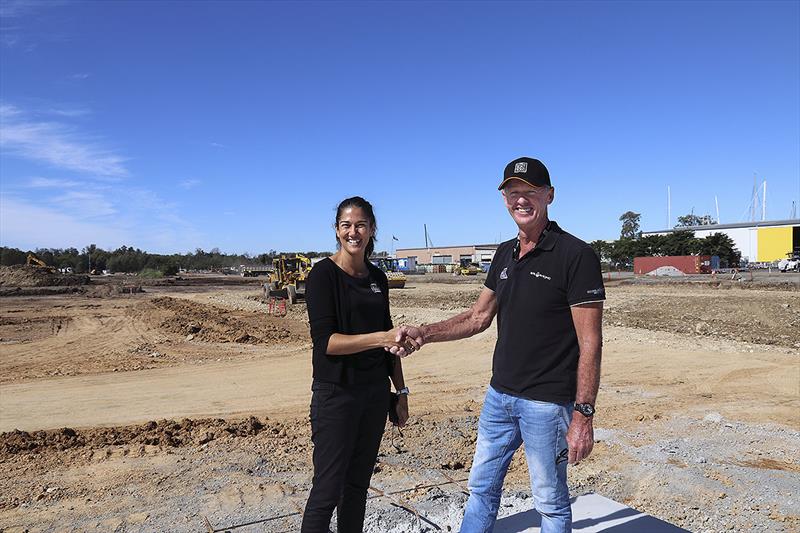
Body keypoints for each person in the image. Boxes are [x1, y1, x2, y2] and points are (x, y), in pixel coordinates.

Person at [394, 157, 605, 533]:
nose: (520, 200)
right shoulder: (505, 253)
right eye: (512, 193)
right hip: (499, 397)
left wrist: (583, 416)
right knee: (481, 489)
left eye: (529, 192)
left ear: (549, 196)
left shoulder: (576, 255)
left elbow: (590, 342)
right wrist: (424, 332)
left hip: (547, 402)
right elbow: (477, 318)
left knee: (551, 503)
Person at [301, 196, 417, 533]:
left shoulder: (378, 279)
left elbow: (390, 341)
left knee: (356, 487)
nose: (354, 232)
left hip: (374, 394)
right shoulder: (323, 276)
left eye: (361, 225)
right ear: (337, 230)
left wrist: (401, 391)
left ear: (372, 230)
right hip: (336, 394)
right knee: (327, 490)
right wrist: (381, 337)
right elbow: (327, 343)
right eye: (346, 225)